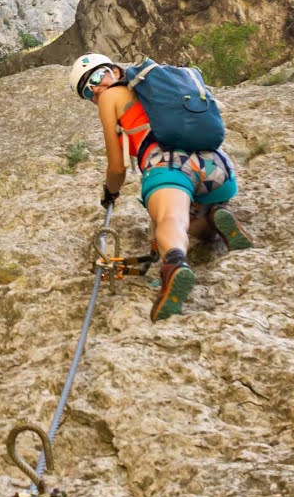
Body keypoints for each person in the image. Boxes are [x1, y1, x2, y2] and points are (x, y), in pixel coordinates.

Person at [68, 52, 250, 321]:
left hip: (168, 165)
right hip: (217, 167)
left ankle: (175, 264)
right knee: (190, 224)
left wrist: (111, 192)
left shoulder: (110, 98)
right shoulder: (157, 89)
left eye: (96, 77)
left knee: (168, 220)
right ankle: (212, 218)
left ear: (115, 71)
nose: (95, 89)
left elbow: (117, 168)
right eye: (87, 90)